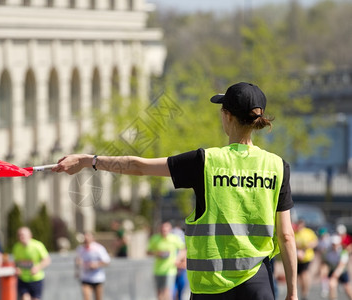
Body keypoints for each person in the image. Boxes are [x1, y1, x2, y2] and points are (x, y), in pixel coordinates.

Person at [51, 82, 298, 300]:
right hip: (258, 284)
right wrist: (293, 292)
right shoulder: (277, 166)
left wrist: (89, 160)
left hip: (211, 287)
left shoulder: (206, 161)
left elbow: (138, 167)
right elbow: (286, 235)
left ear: (227, 116)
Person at [147, 222, 185, 300]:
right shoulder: (155, 238)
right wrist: (157, 253)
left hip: (170, 270)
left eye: (166, 230)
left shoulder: (174, 238)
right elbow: (148, 251)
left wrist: (177, 259)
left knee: (167, 291)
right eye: (162, 230)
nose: (164, 231)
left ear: (170, 230)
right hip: (158, 270)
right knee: (159, 292)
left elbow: (183, 250)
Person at [12, 226, 51, 300]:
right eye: (19, 235)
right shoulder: (16, 247)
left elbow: (47, 260)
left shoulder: (37, 246)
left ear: (30, 235)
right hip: (23, 279)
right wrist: (17, 268)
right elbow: (16, 262)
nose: (21, 237)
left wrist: (37, 268)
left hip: (36, 279)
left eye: (23, 235)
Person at [75, 231, 111, 300]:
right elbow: (77, 260)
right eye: (85, 237)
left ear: (92, 238)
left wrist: (96, 264)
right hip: (85, 277)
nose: (86, 239)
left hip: (97, 278)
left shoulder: (99, 248)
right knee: (86, 297)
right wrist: (77, 270)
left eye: (88, 237)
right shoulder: (80, 249)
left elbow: (107, 261)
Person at [322, 234, 352, 300]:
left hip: (342, 271)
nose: (334, 246)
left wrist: (334, 276)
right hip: (332, 270)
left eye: (336, 244)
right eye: (333, 244)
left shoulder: (343, 252)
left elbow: (341, 266)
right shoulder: (328, 252)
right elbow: (325, 263)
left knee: (347, 288)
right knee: (332, 286)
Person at [294, 219, 318, 300]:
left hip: (307, 257)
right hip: (297, 258)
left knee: (304, 274)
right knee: (298, 277)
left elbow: (315, 242)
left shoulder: (308, 232)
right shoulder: (295, 232)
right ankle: (300, 292)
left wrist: (306, 247)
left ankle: (305, 293)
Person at [171, 221, 188, 300]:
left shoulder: (183, 250)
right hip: (173, 272)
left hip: (181, 273)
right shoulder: (172, 250)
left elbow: (184, 264)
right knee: (173, 293)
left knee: (180, 292)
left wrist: (178, 264)